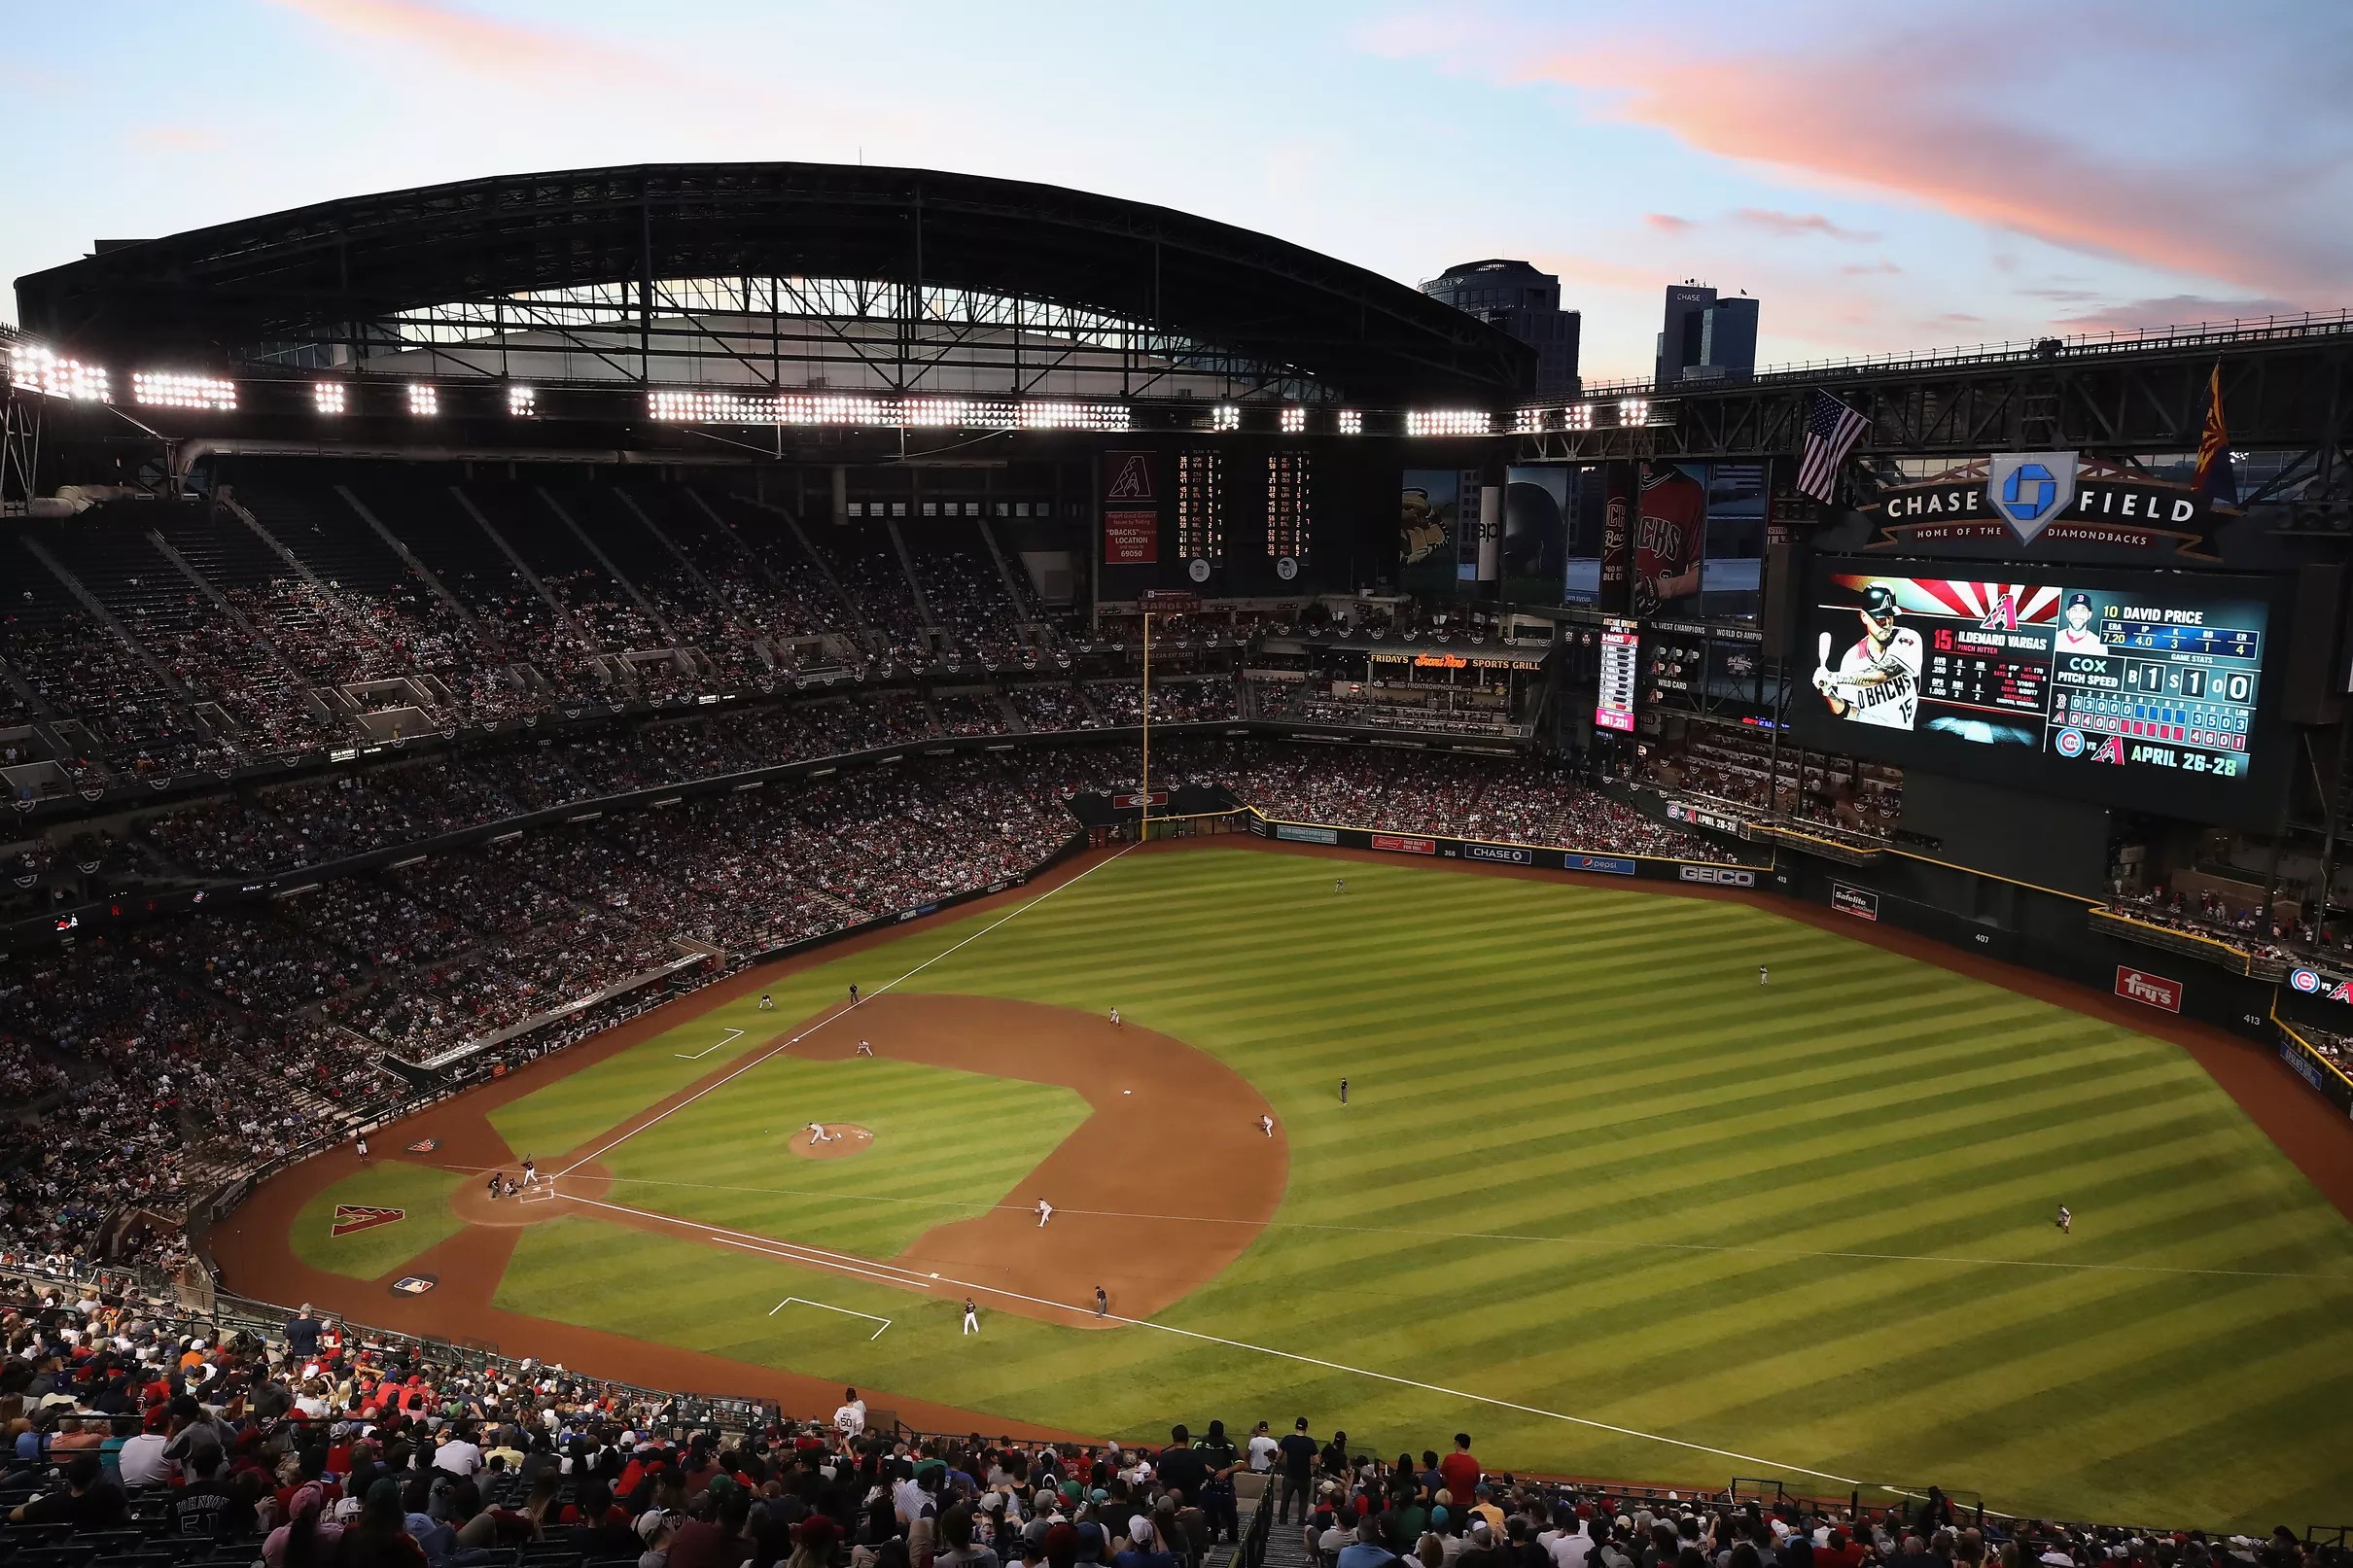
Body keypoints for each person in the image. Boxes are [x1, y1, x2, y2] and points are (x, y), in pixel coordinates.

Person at [1275, 1418, 1318, 1524]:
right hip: (1304, 1477)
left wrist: (1274, 1462)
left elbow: (1279, 1455)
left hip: (1290, 1475)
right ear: (1306, 1428)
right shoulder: (1310, 1442)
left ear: (1296, 1426)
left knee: (1285, 1499)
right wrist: (1313, 1470)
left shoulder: (1288, 1439)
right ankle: (1301, 1521)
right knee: (1303, 1501)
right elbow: (1316, 1460)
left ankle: (1282, 1520)